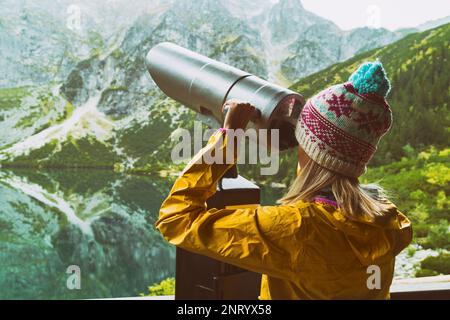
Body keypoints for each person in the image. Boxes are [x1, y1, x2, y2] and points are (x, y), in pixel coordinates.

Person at [156, 61, 412, 299]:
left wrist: (228, 138)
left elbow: (176, 219)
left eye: (301, 136)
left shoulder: (296, 229)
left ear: (309, 152)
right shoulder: (386, 224)